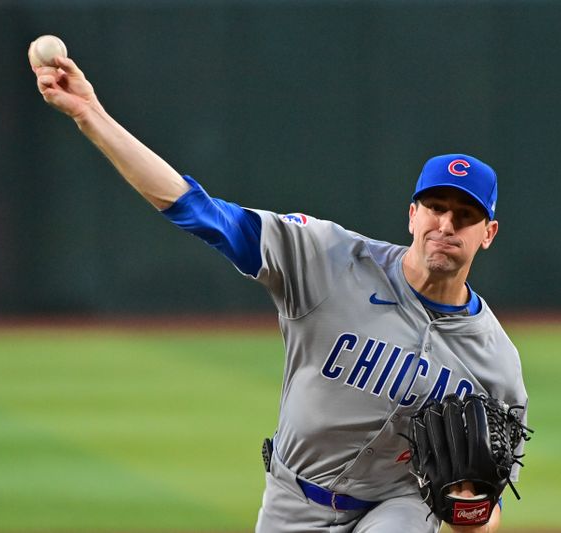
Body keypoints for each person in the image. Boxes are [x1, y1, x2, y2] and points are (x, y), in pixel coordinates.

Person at [29, 47, 528, 533]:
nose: (446, 223)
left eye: (465, 215)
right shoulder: (329, 259)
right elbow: (198, 210)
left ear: (488, 233)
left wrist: (471, 516)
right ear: (412, 214)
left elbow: (490, 506)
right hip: (294, 498)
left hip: (400, 507)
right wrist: (89, 114)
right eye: (435, 207)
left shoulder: (495, 362)